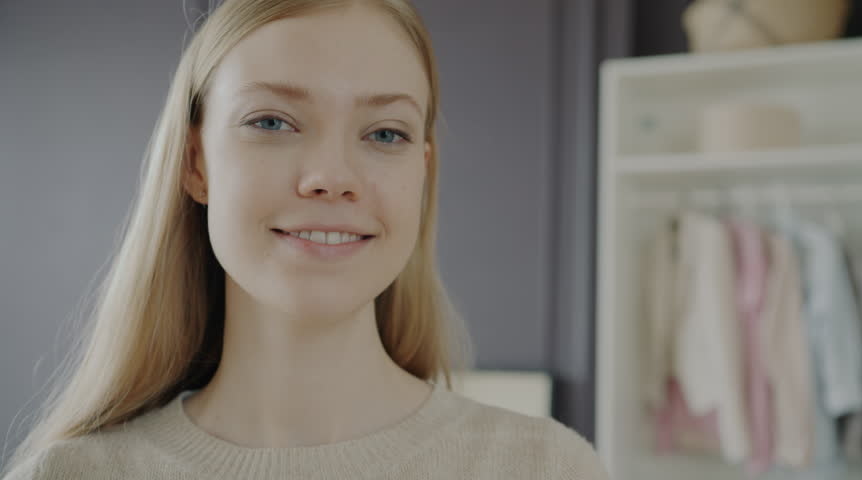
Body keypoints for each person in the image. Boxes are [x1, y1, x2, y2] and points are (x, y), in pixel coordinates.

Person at [1, 1, 609, 478]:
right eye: (272, 122)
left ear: (422, 171)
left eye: (386, 134)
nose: (333, 177)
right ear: (195, 162)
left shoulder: (547, 469)